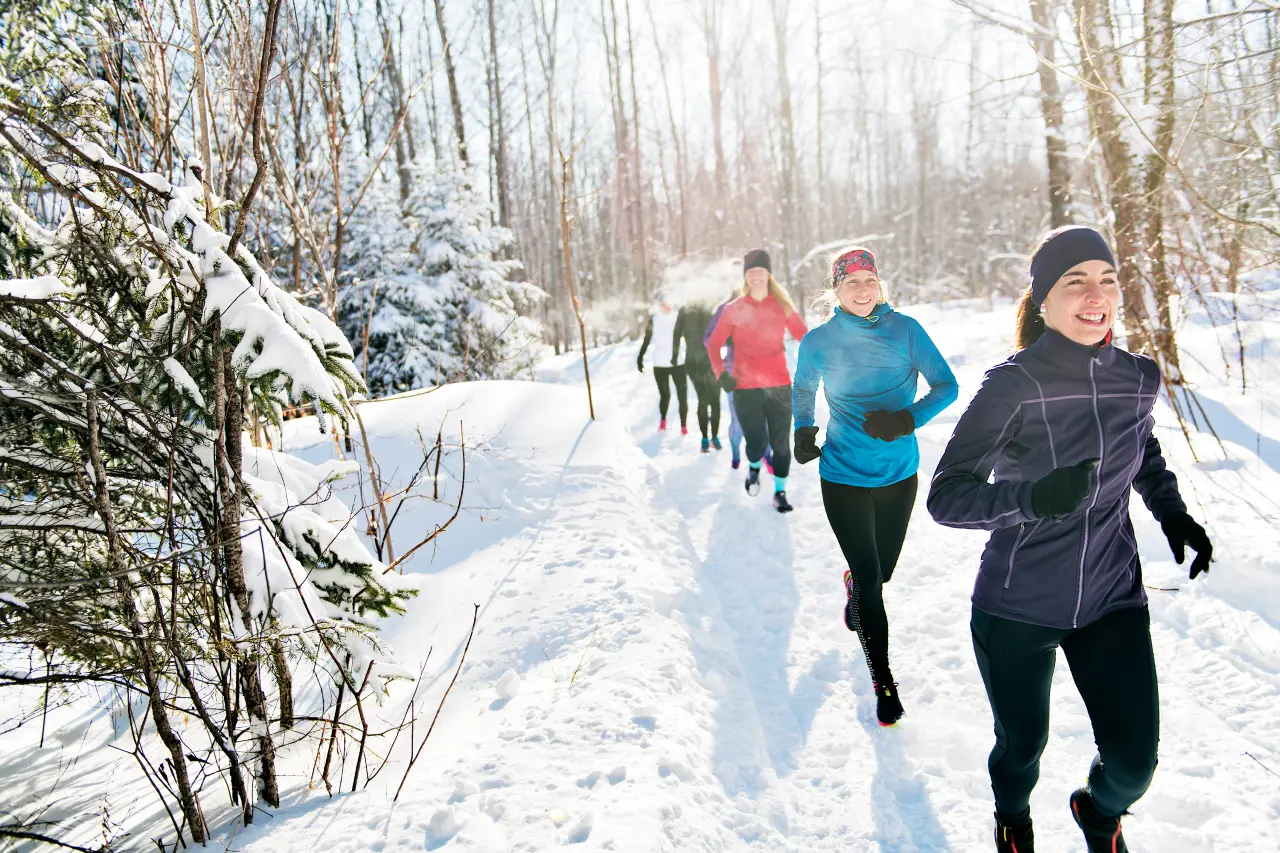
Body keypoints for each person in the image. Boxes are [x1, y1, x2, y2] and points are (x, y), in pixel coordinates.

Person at [926, 226, 1214, 853]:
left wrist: (1173, 515)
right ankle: (1013, 820)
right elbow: (947, 496)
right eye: (1074, 281)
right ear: (1045, 301)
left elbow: (1142, 453)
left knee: (1135, 764)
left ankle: (1098, 814)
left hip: (1112, 597)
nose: (1096, 294)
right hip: (1018, 604)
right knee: (1022, 747)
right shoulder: (1014, 384)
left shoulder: (1137, 377)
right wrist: (1032, 499)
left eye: (1107, 280)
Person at [792, 247, 958, 727]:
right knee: (870, 581)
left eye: (869, 280)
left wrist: (908, 418)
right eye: (851, 283)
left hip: (898, 473)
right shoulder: (819, 341)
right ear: (836, 291)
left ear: (879, 284)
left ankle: (856, 585)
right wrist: (804, 428)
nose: (862, 290)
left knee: (880, 573)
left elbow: (946, 385)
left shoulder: (906, 330)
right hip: (841, 472)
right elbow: (804, 388)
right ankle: (883, 680)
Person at [706, 249, 807, 511]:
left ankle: (780, 492)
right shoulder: (733, 309)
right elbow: (713, 344)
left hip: (779, 386)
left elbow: (804, 337)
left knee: (782, 444)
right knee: (757, 442)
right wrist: (722, 375)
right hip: (745, 388)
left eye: (760, 271)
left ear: (768, 274)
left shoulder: (781, 306)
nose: (756, 277)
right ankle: (753, 467)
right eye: (751, 272)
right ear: (746, 277)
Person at [706, 294, 773, 470]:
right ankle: (736, 455)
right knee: (739, 422)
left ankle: (767, 455)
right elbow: (709, 339)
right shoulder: (725, 308)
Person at [673, 302, 722, 452]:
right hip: (707, 361)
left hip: (695, 361)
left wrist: (674, 357)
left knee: (705, 398)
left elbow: (676, 333)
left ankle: (706, 439)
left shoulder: (685, 307)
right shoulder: (712, 304)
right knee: (713, 399)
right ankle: (712, 438)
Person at [637, 292, 688, 434]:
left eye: (668, 302)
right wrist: (640, 357)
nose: (666, 306)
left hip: (678, 363)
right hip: (660, 364)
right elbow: (647, 339)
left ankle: (684, 425)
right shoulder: (655, 319)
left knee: (682, 394)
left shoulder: (678, 317)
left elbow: (689, 335)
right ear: (659, 305)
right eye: (663, 303)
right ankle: (663, 420)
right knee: (665, 395)